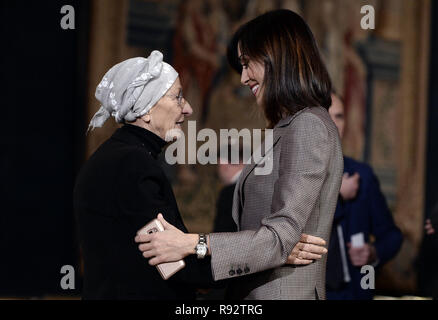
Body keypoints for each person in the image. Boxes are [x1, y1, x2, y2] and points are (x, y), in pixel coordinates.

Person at [74, 50, 327, 300]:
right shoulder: (132, 164)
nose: (188, 108)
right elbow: (178, 265)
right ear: (146, 109)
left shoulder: (116, 157)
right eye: (178, 97)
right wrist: (275, 252)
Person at [135, 10, 344, 300]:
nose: (243, 77)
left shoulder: (308, 126)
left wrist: (192, 244)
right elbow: (281, 240)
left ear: (276, 57)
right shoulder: (290, 126)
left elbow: (281, 237)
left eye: (247, 64)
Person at [325, 92, 403, 300]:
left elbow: (392, 235)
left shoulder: (362, 175)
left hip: (354, 293)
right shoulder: (295, 175)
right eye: (325, 115)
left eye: (339, 116)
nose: (333, 124)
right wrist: (337, 195)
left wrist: (373, 252)